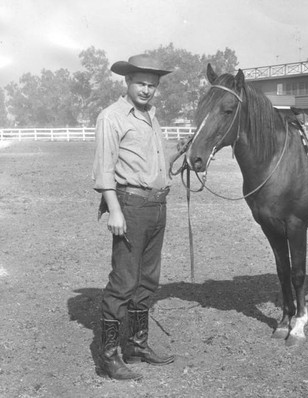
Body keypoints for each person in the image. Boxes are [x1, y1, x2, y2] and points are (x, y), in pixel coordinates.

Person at [92, 54, 177, 381]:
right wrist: (114, 208)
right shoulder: (111, 117)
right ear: (127, 82)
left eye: (152, 85)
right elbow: (104, 169)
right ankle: (109, 357)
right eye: (141, 83)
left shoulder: (150, 116)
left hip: (157, 206)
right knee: (125, 280)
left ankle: (136, 344)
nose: (147, 90)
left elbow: (150, 162)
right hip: (129, 205)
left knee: (148, 279)